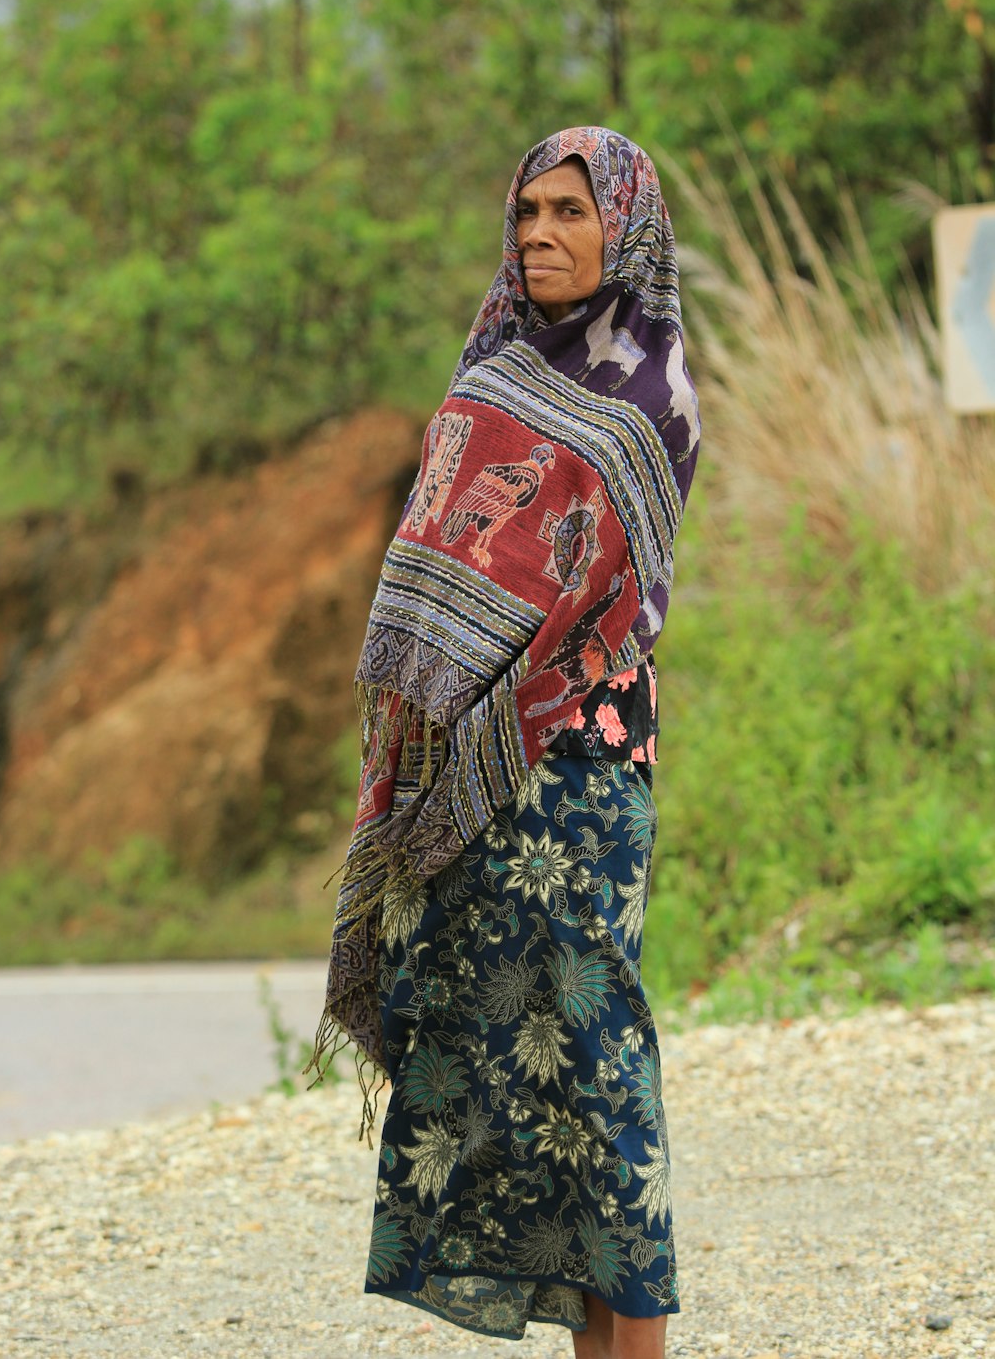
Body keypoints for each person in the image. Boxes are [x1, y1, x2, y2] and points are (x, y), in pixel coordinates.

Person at [308, 126, 701, 1359]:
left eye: (568, 212)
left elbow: (591, 594)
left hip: (574, 782)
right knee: (485, 1068)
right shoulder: (485, 372)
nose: (539, 233)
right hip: (452, 793)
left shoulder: (651, 401)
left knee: (591, 1070)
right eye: (525, 210)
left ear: (623, 226)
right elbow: (429, 566)